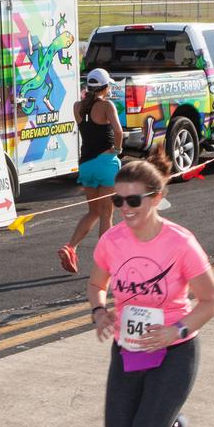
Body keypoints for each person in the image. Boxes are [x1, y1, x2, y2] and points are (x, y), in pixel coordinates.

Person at [87, 148, 214, 427]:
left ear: (156, 197)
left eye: (133, 200)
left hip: (174, 351)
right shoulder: (112, 241)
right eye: (117, 200)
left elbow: (211, 300)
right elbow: (96, 285)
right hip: (127, 350)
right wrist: (99, 311)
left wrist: (175, 330)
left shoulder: (180, 243)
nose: (124, 208)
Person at [58, 68, 123, 274]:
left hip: (86, 164)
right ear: (105, 86)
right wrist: (118, 150)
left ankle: (71, 247)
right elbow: (118, 131)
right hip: (105, 162)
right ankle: (106, 261)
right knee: (106, 214)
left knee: (93, 211)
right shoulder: (106, 105)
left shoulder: (78, 106)